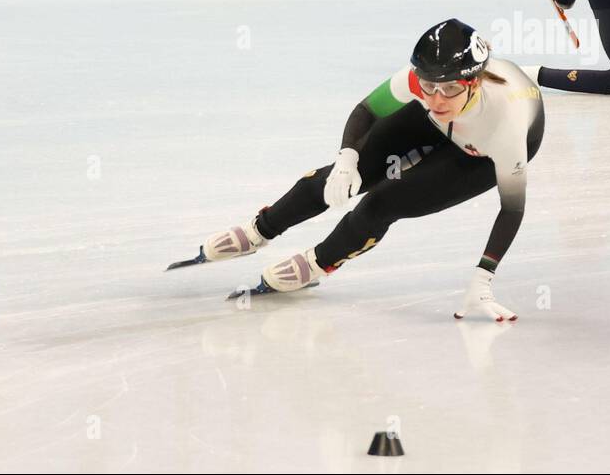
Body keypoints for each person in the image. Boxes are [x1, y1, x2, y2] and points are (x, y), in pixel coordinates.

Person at [169, 19, 544, 322]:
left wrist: (483, 279)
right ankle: (259, 230)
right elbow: (367, 110)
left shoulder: (506, 125)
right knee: (341, 176)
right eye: (427, 86)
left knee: (384, 202)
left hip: (479, 152)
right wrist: (348, 158)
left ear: (473, 82)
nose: (433, 99)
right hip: (453, 122)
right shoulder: (428, 86)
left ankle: (320, 262)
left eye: (447, 89)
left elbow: (511, 209)